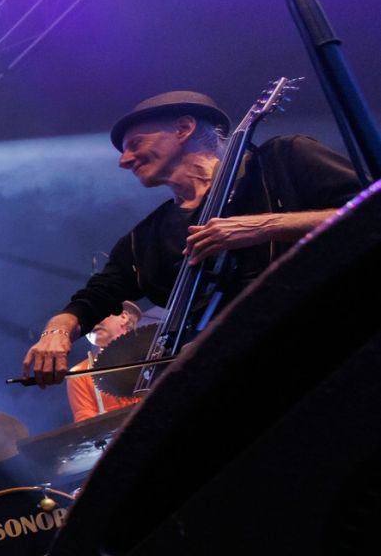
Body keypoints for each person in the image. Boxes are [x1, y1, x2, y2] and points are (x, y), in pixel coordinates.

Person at [24, 90, 361, 385]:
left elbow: (370, 212)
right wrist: (57, 331)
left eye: (135, 144)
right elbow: (93, 299)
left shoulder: (283, 159)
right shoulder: (145, 239)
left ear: (184, 128)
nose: (124, 161)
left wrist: (265, 225)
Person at [65, 301, 143, 422]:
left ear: (123, 317)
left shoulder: (152, 354)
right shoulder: (79, 373)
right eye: (86, 321)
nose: (91, 323)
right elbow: (85, 423)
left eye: (97, 315)